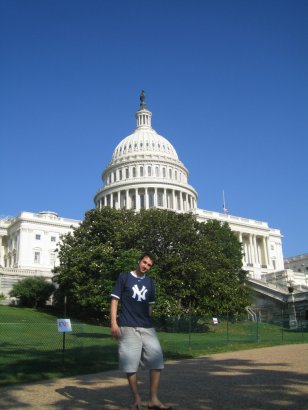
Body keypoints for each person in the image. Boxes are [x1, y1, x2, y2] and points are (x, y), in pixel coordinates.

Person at [110, 252, 171, 410]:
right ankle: (137, 399)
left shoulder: (150, 283)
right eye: (144, 262)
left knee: (157, 360)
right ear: (139, 261)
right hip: (127, 325)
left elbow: (150, 307)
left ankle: (153, 400)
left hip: (146, 326)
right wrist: (114, 324)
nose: (146, 266)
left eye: (149, 265)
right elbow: (114, 300)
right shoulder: (124, 277)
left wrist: (151, 321)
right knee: (130, 364)